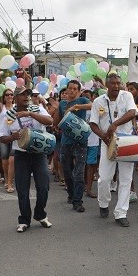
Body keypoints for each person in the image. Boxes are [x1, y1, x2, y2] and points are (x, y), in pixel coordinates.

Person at [0, 86, 54, 232]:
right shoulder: (9, 115)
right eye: (22, 95)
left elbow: (50, 121)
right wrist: (13, 137)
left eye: (28, 94)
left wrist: (30, 114)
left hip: (39, 153)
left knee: (43, 186)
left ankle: (40, 214)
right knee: (22, 189)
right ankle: (24, 220)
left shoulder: (37, 109)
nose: (26, 97)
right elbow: (2, 137)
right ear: (15, 98)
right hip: (21, 154)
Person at [89, 73, 138, 227]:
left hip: (126, 141)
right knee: (104, 178)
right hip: (107, 142)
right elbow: (93, 123)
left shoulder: (127, 96)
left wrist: (115, 124)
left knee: (125, 179)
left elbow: (132, 112)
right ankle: (103, 204)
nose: (116, 86)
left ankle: (121, 213)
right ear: (107, 85)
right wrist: (103, 135)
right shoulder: (98, 101)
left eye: (118, 83)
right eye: (113, 83)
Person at [54, 80, 91, 212]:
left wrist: (76, 107)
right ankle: (71, 194)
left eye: (75, 89)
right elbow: (57, 120)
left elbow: (93, 105)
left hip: (80, 142)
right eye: (70, 88)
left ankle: (78, 201)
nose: (72, 91)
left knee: (79, 173)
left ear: (79, 91)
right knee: (67, 172)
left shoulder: (82, 100)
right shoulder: (63, 103)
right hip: (66, 141)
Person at [82, 89, 99, 198]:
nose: (85, 99)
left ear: (92, 98)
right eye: (83, 97)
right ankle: (83, 185)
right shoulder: (79, 110)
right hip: (81, 142)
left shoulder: (97, 108)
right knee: (82, 165)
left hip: (93, 141)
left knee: (91, 165)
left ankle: (89, 188)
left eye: (88, 97)